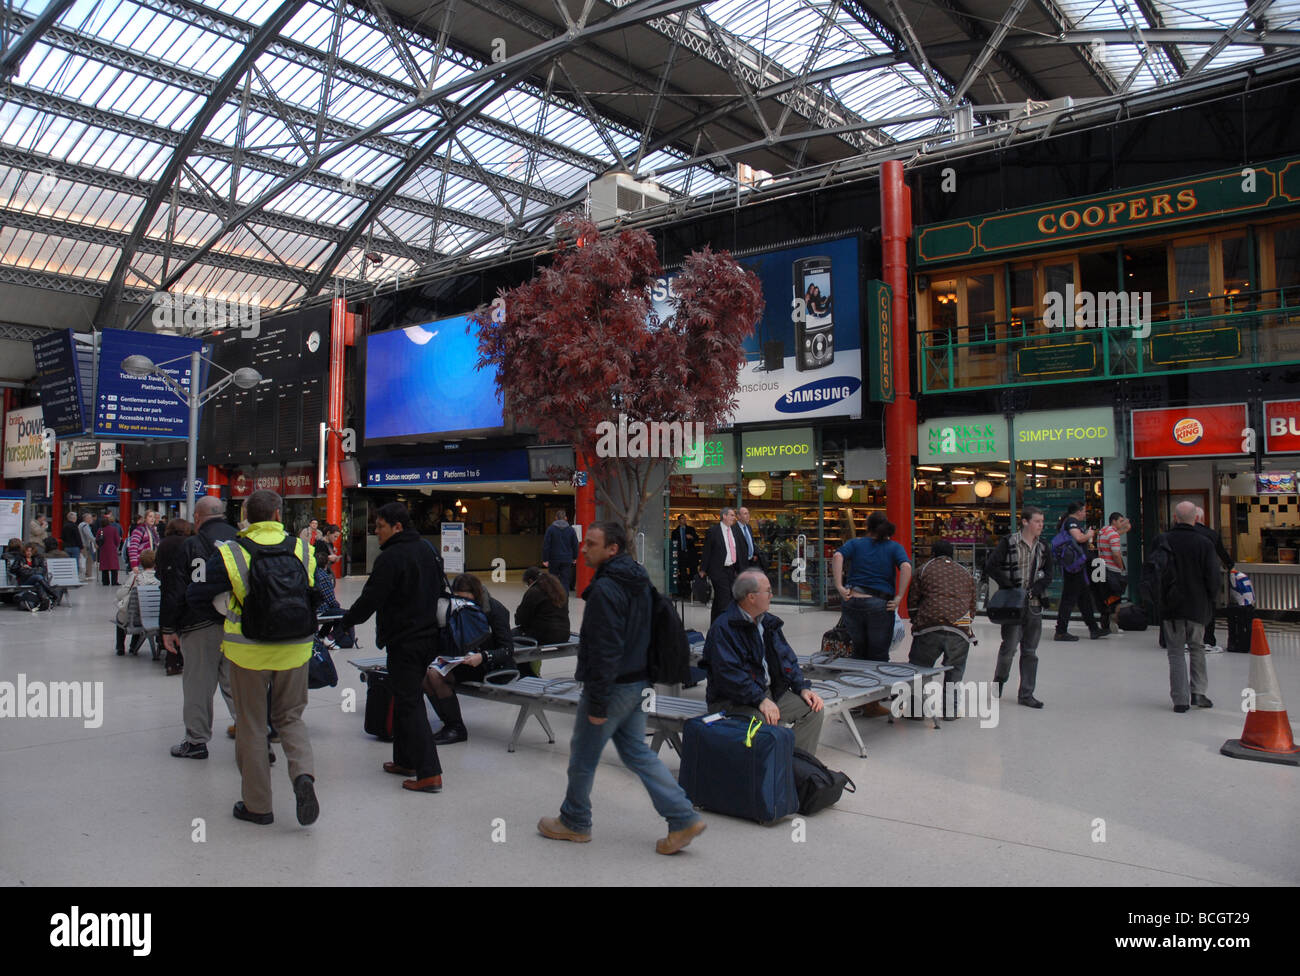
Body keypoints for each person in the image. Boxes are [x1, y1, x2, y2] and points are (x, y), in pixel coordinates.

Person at [538, 521, 706, 855]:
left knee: (583, 758)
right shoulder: (639, 580)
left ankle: (574, 821)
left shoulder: (605, 590)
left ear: (612, 549)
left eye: (592, 544)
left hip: (612, 687)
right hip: (638, 682)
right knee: (637, 753)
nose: (583, 549)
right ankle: (682, 816)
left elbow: (605, 650)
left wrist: (598, 703)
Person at [186, 489, 320, 826]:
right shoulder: (303, 548)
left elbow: (197, 594)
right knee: (291, 717)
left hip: (247, 651)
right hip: (296, 646)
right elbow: (313, 591)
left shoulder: (232, 552)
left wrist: (231, 605)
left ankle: (258, 806)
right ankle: (303, 776)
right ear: (278, 515)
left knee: (252, 725)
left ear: (246, 516)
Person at [327, 502, 446, 793]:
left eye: (380, 526)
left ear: (397, 527)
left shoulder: (391, 557)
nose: (376, 532)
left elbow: (371, 599)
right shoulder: (427, 550)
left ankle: (429, 772)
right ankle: (405, 760)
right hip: (427, 636)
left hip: (405, 639)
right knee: (405, 696)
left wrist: (345, 622)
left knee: (409, 702)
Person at [702, 569, 825, 752]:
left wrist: (802, 687)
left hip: (766, 692)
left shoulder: (768, 623)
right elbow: (729, 676)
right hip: (731, 700)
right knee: (761, 720)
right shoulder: (724, 629)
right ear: (751, 597)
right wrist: (760, 700)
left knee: (812, 708)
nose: (772, 595)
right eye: (767, 591)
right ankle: (769, 771)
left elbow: (787, 658)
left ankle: (797, 767)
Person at [164, 497, 242, 760]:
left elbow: (176, 589)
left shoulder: (191, 545)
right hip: (238, 624)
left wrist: (168, 628)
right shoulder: (242, 540)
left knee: (198, 684)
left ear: (197, 517)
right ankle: (255, 735)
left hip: (198, 624)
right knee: (238, 685)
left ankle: (196, 741)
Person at [423, 573, 515, 745]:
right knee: (425, 675)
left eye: (465, 599)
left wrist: (483, 656)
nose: (462, 603)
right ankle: (449, 723)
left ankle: (456, 727)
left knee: (435, 676)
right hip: (464, 662)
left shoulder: (495, 610)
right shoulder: (455, 609)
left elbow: (508, 650)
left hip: (491, 666)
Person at [984, 506, 1052, 708]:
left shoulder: (1043, 547)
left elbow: (1048, 574)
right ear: (1025, 522)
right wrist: (1009, 585)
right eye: (1037, 521)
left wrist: (1036, 589)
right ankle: (999, 680)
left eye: (1042, 521)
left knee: (1030, 651)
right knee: (1009, 648)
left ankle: (1026, 693)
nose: (1041, 525)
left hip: (1033, 605)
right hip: (1013, 605)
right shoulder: (1009, 542)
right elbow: (991, 566)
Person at [1158, 502, 1220, 713]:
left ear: (1174, 518)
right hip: (1197, 604)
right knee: (1197, 647)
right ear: (1196, 519)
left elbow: (1154, 573)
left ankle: (1180, 699)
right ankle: (1199, 692)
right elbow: (1213, 576)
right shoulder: (1204, 543)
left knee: (1175, 652)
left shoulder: (1163, 540)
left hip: (1171, 606)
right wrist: (1212, 599)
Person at [906, 540, 977, 719]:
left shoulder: (923, 570)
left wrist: (917, 620)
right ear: (952, 554)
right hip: (960, 629)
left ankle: (915, 710)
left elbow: (913, 601)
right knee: (955, 670)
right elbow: (972, 605)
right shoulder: (965, 573)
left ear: (933, 553)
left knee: (919, 668)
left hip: (930, 626)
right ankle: (950, 711)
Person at [832, 513, 912, 661]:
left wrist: (839, 586)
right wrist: (899, 597)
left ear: (867, 527)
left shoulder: (855, 543)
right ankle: (875, 682)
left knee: (858, 650)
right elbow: (906, 567)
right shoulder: (894, 548)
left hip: (853, 601)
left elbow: (837, 556)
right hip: (879, 604)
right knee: (879, 653)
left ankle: (858, 681)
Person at [1053, 501, 1105, 641]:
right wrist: (1089, 534)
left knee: (1084, 598)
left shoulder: (1068, 522)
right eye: (1084, 511)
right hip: (1073, 568)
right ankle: (1061, 631)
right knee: (1069, 599)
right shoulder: (1071, 522)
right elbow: (1079, 537)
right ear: (1078, 511)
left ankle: (1093, 628)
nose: (1085, 513)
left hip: (1076, 567)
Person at [153, 518, 194, 676]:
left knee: (170, 625)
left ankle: (171, 662)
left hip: (167, 588)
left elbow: (158, 567)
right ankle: (184, 660)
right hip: (185, 588)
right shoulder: (189, 542)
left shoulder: (163, 544)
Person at [513, 566, 571, 676]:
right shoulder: (559, 590)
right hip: (563, 633)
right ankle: (534, 670)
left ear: (530, 581)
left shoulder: (533, 592)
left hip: (543, 635)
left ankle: (526, 673)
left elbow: (520, 620)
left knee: (512, 636)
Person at [1193, 506, 1233, 653]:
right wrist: (1230, 566)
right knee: (1209, 609)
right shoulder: (1211, 534)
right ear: (1201, 518)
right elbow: (1222, 553)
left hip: (1186, 580)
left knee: (1188, 609)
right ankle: (1208, 640)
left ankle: (1188, 640)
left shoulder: (1176, 535)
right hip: (1207, 578)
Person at [701, 506, 742, 622]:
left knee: (722, 598)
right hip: (718, 570)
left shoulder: (734, 530)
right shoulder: (713, 531)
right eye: (732, 515)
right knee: (724, 597)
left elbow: (738, 549)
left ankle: (715, 624)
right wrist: (703, 569)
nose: (734, 518)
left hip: (731, 569)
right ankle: (725, 625)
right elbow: (707, 551)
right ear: (724, 516)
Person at [114, 549, 158, 653]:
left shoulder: (135, 577)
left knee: (123, 613)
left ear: (141, 562)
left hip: (133, 619)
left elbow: (120, 595)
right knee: (143, 609)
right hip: (154, 617)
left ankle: (120, 647)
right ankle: (133, 645)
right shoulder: (159, 578)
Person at [1094, 512, 1130, 633]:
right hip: (1113, 570)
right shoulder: (1113, 535)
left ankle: (1105, 624)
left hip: (1102, 568)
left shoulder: (1103, 531)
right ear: (1113, 521)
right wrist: (1121, 567)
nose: (1121, 523)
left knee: (1106, 598)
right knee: (1116, 598)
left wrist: (1124, 528)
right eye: (1120, 521)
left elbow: (1113, 536)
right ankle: (1113, 624)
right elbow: (1116, 554)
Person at [10, 541, 62, 610]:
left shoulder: (37, 558)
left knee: (38, 583)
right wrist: (22, 568)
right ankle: (53, 594)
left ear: (33, 552)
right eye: (27, 551)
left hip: (36, 581)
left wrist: (30, 569)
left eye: (31, 551)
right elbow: (14, 569)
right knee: (38, 577)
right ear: (24, 551)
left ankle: (44, 601)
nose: (29, 553)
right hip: (24, 580)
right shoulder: (20, 558)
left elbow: (43, 570)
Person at [542, 510, 580, 592]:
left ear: (555, 518)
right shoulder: (571, 530)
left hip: (554, 558)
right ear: (566, 518)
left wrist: (545, 559)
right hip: (567, 559)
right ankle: (564, 599)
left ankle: (554, 598)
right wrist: (575, 557)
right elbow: (575, 544)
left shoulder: (550, 529)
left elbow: (546, 545)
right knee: (565, 580)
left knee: (553, 580)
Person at [671, 515, 699, 597]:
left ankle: (694, 592)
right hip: (681, 554)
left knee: (693, 572)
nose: (684, 520)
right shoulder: (675, 532)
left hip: (690, 554)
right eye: (682, 519)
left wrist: (692, 537)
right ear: (679, 520)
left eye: (685, 518)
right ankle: (684, 592)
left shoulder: (691, 529)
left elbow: (697, 538)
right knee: (682, 573)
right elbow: (674, 543)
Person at [96, 513, 122, 585]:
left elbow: (97, 540)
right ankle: (114, 581)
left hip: (103, 550)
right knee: (113, 566)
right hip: (112, 549)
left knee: (105, 566)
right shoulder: (113, 529)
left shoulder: (100, 530)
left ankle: (105, 581)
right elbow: (117, 540)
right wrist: (115, 546)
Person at [78, 512, 97, 582]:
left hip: (82, 544)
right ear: (87, 519)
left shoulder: (80, 525)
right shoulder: (85, 525)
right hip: (85, 545)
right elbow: (89, 535)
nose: (92, 519)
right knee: (88, 559)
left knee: (87, 559)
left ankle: (88, 574)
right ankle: (88, 575)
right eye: (90, 518)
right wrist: (95, 541)